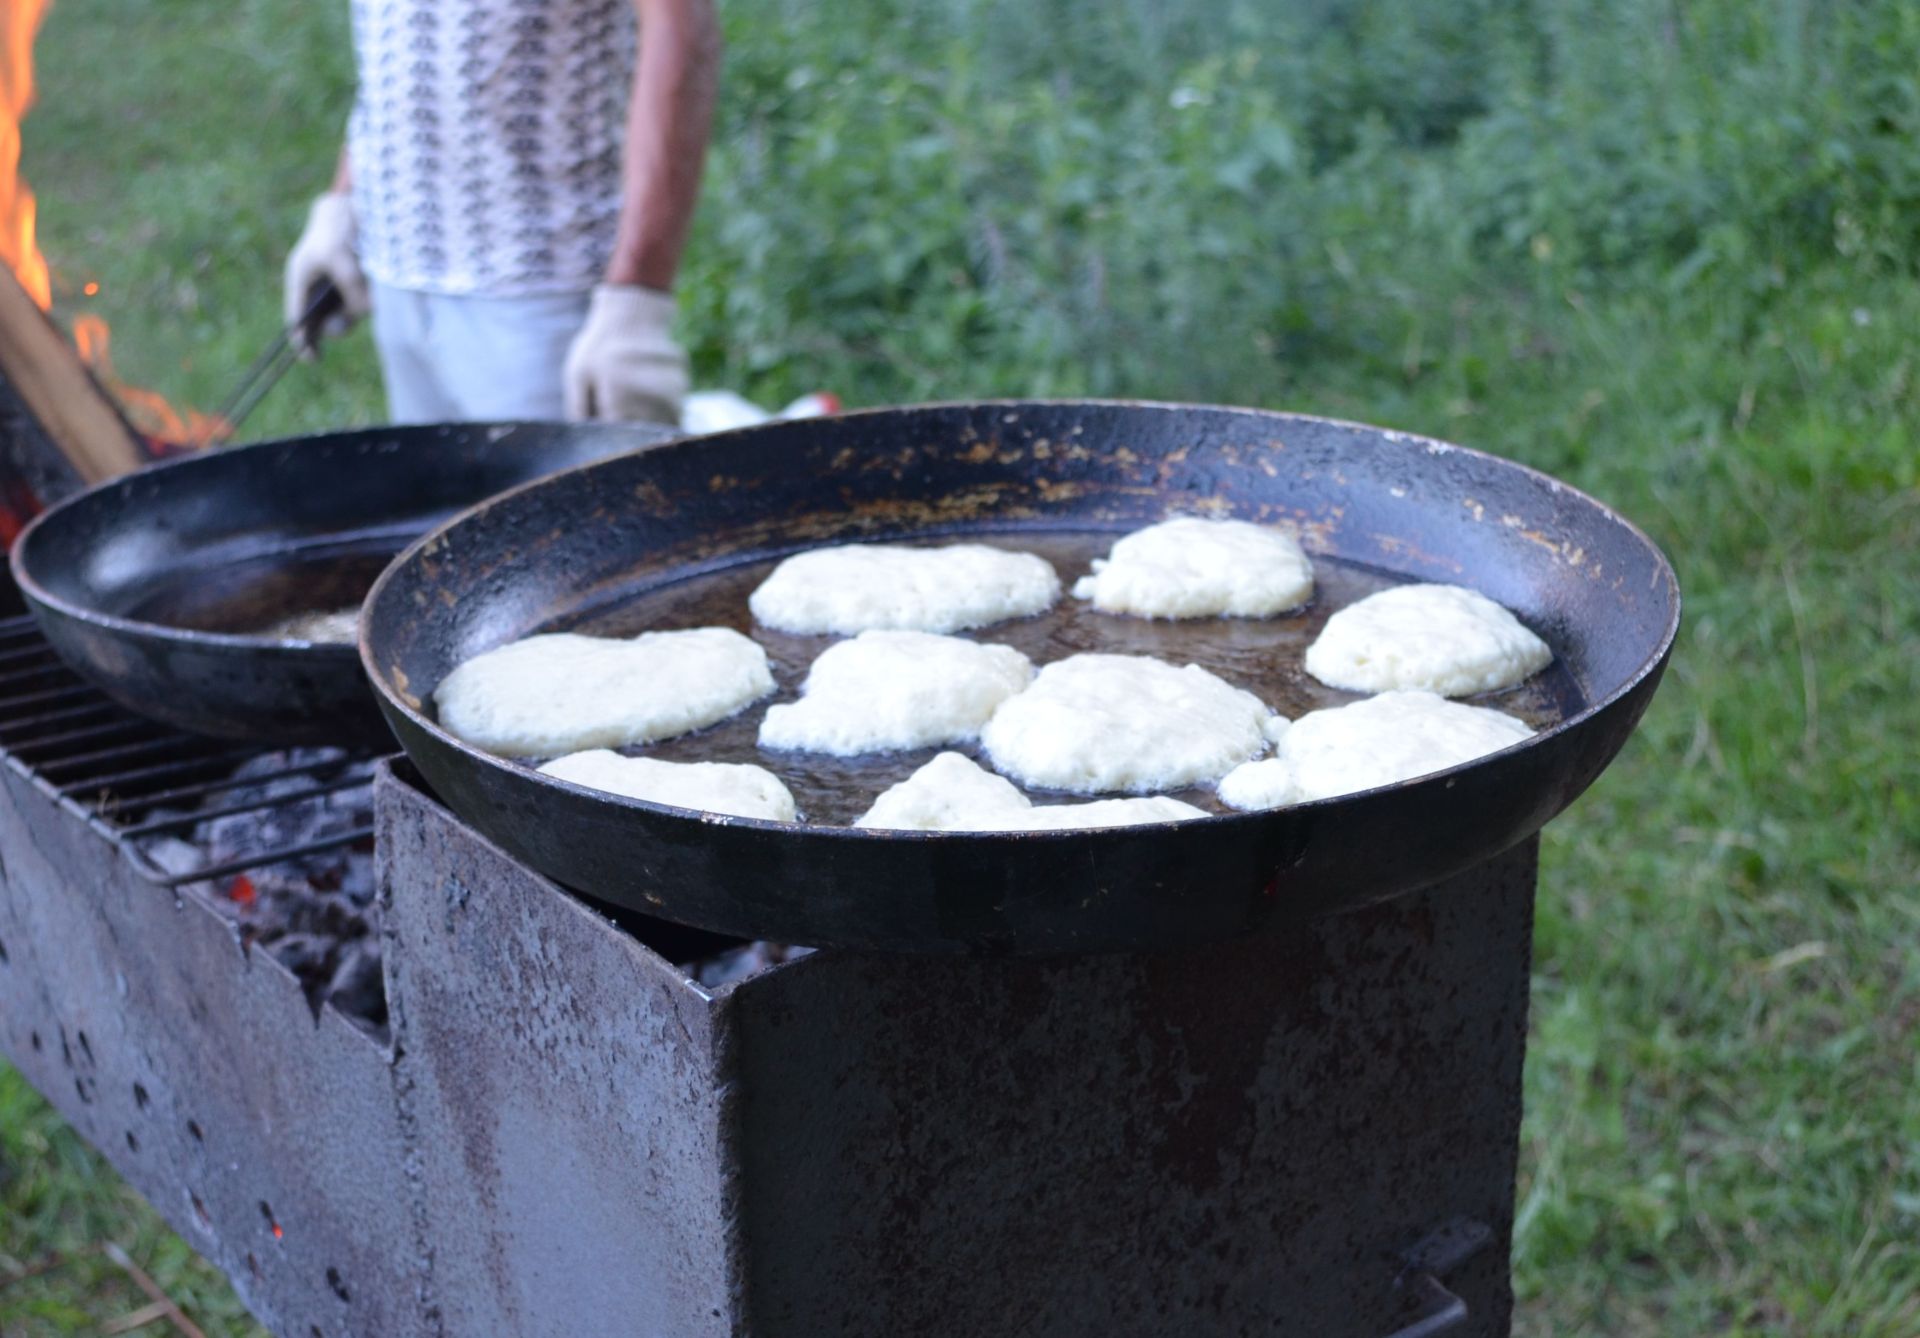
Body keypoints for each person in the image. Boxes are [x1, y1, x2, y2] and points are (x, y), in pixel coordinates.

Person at [283, 0, 720, 426]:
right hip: (399, 278)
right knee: (442, 500)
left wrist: (638, 293)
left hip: (538, 295)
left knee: (570, 500)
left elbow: (681, 31)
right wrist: (343, 203)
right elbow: (400, 44)